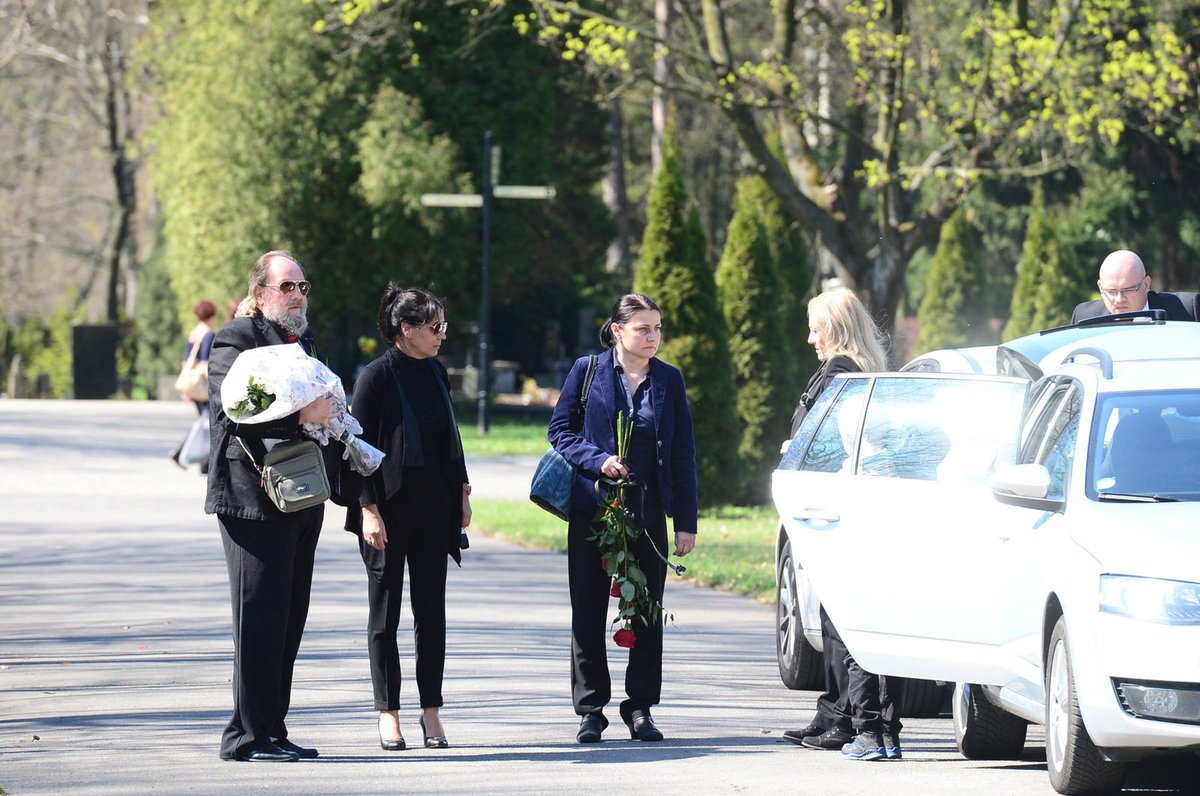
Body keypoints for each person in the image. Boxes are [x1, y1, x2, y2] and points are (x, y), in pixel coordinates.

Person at [205, 250, 339, 763]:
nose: (298, 296)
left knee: (288, 617)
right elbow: (232, 412)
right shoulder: (234, 340)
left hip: (302, 496)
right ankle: (244, 736)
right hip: (251, 501)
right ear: (260, 293)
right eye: (288, 287)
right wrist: (302, 412)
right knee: (257, 617)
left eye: (304, 287)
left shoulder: (303, 342)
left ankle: (271, 726)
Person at [547, 293, 698, 744]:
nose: (652, 337)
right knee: (588, 609)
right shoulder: (587, 370)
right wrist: (598, 460)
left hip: (648, 511)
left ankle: (640, 708)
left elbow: (682, 453)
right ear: (618, 330)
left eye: (657, 328)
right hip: (594, 509)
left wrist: (685, 521)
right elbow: (560, 431)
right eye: (643, 329)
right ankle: (591, 710)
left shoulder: (669, 380)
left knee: (646, 611)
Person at [780, 287, 905, 761]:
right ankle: (853, 721)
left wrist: (798, 454)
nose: (810, 338)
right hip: (859, 508)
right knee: (844, 620)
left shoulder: (840, 375)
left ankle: (864, 727)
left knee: (844, 621)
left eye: (815, 327)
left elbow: (842, 443)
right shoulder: (868, 372)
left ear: (834, 327)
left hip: (839, 510)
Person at [346, 285, 470, 752]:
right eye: (435, 327)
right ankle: (388, 713)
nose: (442, 336)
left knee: (431, 614)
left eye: (444, 327)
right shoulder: (374, 378)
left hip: (435, 508)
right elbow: (354, 449)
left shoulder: (437, 372)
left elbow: (449, 437)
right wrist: (368, 509)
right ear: (406, 329)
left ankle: (431, 712)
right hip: (387, 510)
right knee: (385, 616)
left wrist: (461, 490)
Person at [1071, 250, 1198, 322]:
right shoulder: (1085, 317)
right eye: (1111, 291)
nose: (1119, 299)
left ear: (1146, 284)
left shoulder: (1188, 310)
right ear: (1100, 288)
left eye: (1128, 289)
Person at [171, 299, 218, 471]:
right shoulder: (208, 334)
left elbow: (186, 361)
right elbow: (205, 362)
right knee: (209, 423)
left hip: (193, 385)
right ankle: (201, 460)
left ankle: (184, 453)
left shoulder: (194, 333)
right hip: (203, 386)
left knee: (204, 421)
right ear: (211, 316)